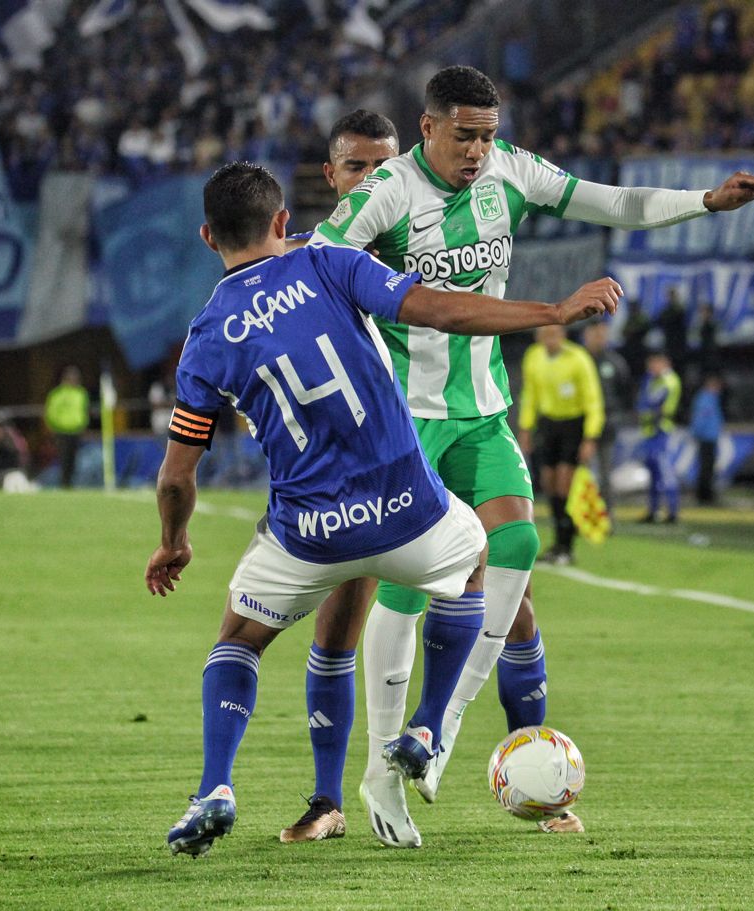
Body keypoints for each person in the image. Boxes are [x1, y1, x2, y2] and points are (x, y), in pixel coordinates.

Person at [310, 65, 754, 837]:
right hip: (405, 421)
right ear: (428, 128)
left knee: (519, 543)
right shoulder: (389, 192)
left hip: (482, 410)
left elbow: (615, 202)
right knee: (408, 583)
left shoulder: (511, 171)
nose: (477, 150)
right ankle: (380, 778)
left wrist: (705, 201)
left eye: (487, 136)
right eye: (463, 135)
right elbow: (319, 261)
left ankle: (436, 732)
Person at [150, 162, 620, 856]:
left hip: (309, 534)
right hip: (406, 512)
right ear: (282, 222)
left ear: (206, 236)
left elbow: (175, 476)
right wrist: (551, 313)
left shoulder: (205, 337)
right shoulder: (329, 263)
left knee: (237, 640)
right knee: (477, 558)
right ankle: (427, 725)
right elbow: (443, 310)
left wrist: (174, 541)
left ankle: (215, 786)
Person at [517, 324, 605, 566]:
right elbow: (529, 395)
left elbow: (593, 400)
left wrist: (590, 437)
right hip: (548, 424)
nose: (549, 339)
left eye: (554, 334)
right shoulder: (533, 357)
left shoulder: (578, 358)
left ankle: (566, 544)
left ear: (562, 335)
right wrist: (526, 428)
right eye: (544, 335)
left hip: (573, 425)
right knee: (548, 483)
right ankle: (558, 543)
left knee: (564, 484)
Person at [582, 320, 631, 505]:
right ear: (586, 335)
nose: (599, 338)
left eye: (602, 334)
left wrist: (615, 414)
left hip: (607, 424)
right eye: (595, 334)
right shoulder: (578, 359)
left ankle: (606, 515)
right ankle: (581, 515)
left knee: (605, 474)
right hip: (581, 423)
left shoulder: (615, 362)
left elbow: (624, 391)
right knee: (581, 473)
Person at [638, 351, 683, 523]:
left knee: (665, 472)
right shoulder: (653, 380)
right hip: (650, 431)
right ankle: (653, 511)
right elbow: (642, 402)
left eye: (653, 364)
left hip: (661, 432)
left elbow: (651, 401)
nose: (650, 368)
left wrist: (646, 403)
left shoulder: (668, 380)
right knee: (653, 474)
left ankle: (673, 512)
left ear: (663, 363)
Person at [45, 365, 89, 489]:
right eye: (71, 378)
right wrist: (53, 426)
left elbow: (84, 410)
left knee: (73, 458)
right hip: (61, 431)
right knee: (64, 458)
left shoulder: (81, 393)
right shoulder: (57, 394)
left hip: (76, 431)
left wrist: (83, 424)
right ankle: (64, 483)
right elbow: (51, 411)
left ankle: (71, 482)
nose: (74, 380)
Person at [690, 373, 725, 505]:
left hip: (709, 437)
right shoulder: (706, 399)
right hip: (706, 437)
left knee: (708, 467)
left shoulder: (709, 398)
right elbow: (701, 418)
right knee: (706, 467)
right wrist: (697, 433)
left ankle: (705, 495)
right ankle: (704, 496)